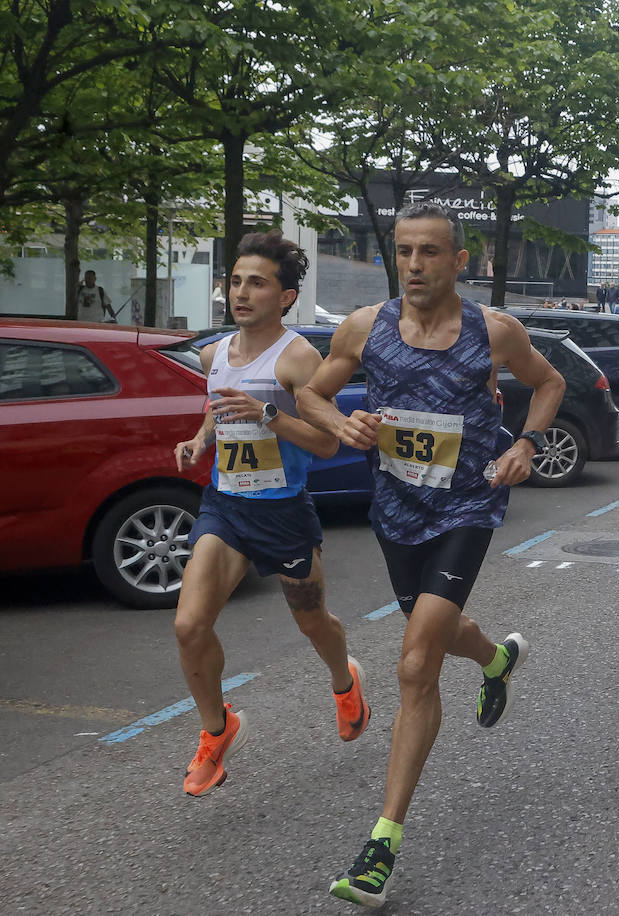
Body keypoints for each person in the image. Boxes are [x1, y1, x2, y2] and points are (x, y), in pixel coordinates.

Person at [297, 202, 565, 908]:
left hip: (467, 504)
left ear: (458, 261)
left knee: (416, 662)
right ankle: (497, 660)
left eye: (429, 253)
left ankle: (381, 843)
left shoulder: (494, 331)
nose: (414, 265)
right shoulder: (364, 327)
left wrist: (524, 444)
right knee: (438, 633)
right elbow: (309, 391)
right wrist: (339, 419)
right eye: (404, 251)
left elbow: (551, 384)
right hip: (396, 508)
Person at [171, 230, 368, 799]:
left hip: (283, 511)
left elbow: (328, 444)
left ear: (285, 297)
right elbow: (218, 410)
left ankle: (344, 681)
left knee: (312, 621)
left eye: (257, 283)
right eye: (236, 281)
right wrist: (199, 439)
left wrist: (270, 416)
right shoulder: (214, 353)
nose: (241, 292)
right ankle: (217, 729)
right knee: (188, 626)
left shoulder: (299, 357)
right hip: (225, 506)